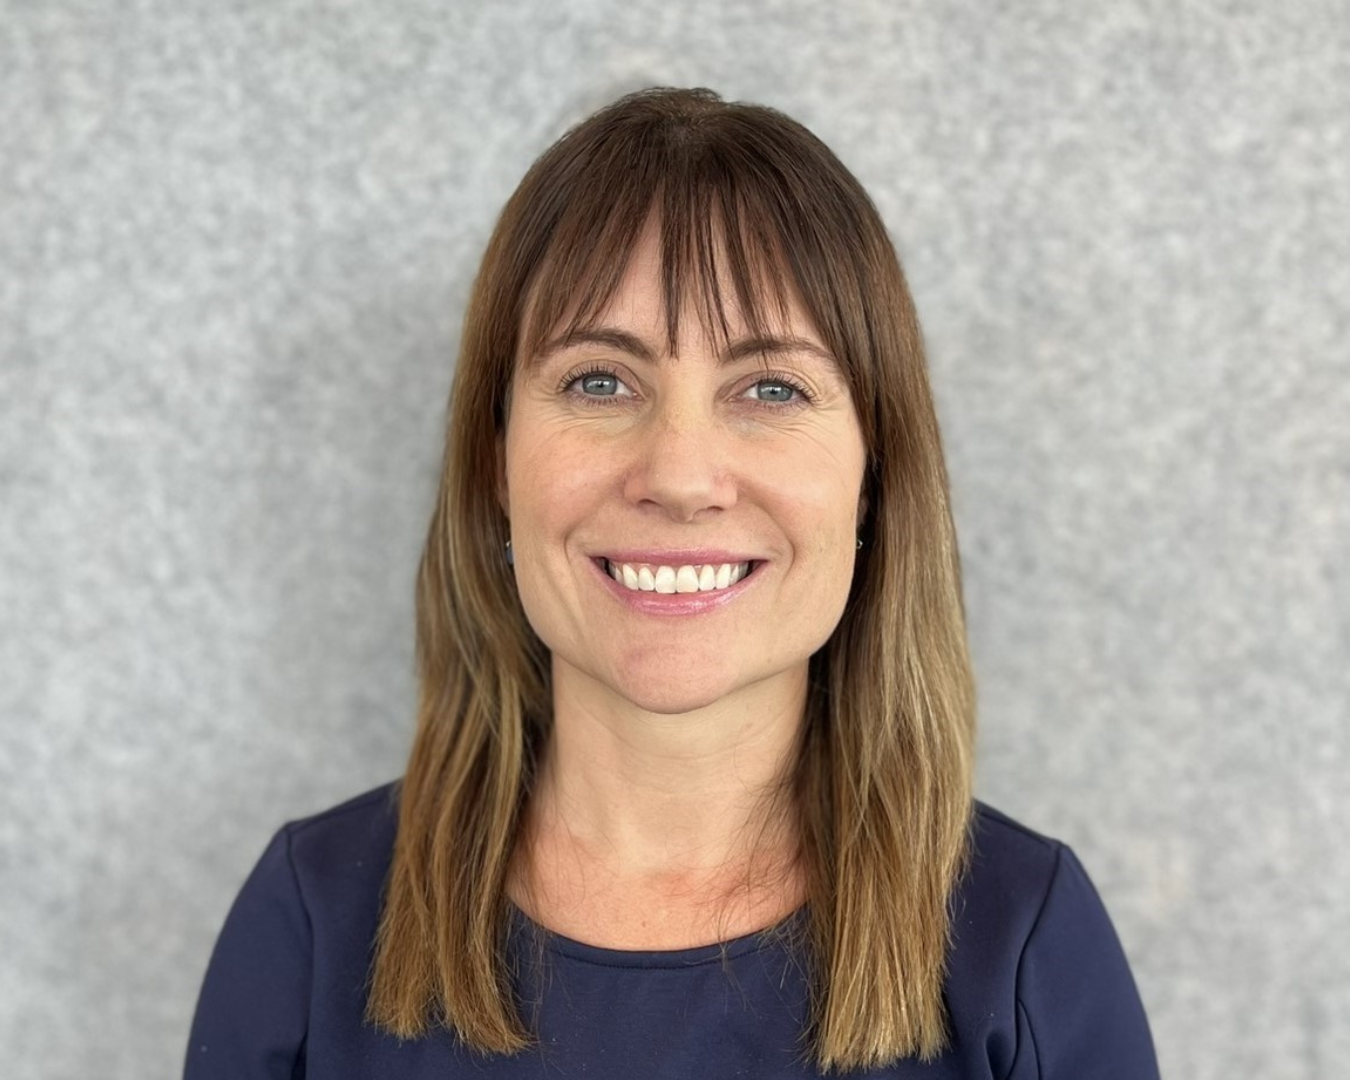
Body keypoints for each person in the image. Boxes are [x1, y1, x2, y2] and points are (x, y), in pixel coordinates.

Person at [183, 87, 1160, 1078]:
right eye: (599, 382)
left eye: (770, 388)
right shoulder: (313, 927)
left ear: (875, 478)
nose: (681, 477)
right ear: (494, 464)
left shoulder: (1022, 949)